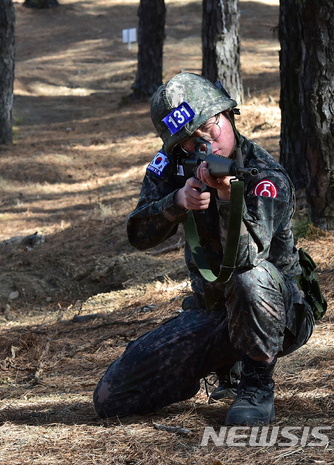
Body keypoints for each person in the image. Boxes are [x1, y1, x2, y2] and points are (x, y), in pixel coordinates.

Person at [93, 72, 316, 425]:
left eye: (211, 127)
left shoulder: (265, 177)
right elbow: (139, 234)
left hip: (278, 313)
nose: (206, 144)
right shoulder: (171, 166)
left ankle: (256, 385)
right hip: (212, 312)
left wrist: (228, 196)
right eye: (189, 140)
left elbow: (246, 261)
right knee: (111, 398)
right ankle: (218, 363)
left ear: (228, 114)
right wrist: (176, 201)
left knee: (250, 279)